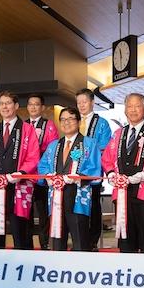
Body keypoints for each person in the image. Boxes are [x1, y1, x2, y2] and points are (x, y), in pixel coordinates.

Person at [102, 93, 144, 253]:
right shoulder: (118, 134)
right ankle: (127, 272)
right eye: (129, 106)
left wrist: (143, 175)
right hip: (121, 193)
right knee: (125, 238)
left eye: (137, 106)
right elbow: (107, 157)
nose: (133, 110)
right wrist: (112, 174)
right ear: (125, 110)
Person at [0, 91, 40, 249]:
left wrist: (22, 173)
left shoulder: (27, 129)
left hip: (19, 184)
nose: (5, 106)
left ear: (16, 106)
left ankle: (24, 264)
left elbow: (33, 155)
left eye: (8, 103)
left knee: (21, 229)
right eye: (2, 103)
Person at [37, 107, 101, 251]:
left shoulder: (89, 143)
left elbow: (95, 168)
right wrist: (47, 176)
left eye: (71, 119)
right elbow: (42, 166)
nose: (67, 122)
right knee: (57, 240)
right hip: (56, 198)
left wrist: (78, 177)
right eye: (63, 119)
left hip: (78, 196)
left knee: (80, 239)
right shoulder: (54, 145)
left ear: (78, 122)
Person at [76, 88, 113, 251]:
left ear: (92, 102)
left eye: (84, 102)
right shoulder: (74, 120)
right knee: (76, 205)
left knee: (93, 206)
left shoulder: (102, 123)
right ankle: (79, 239)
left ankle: (92, 240)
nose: (81, 105)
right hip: (74, 172)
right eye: (78, 102)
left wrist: (90, 162)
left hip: (94, 171)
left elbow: (105, 147)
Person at [25, 94, 59, 250]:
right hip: (25, 175)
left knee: (43, 211)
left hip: (41, 174)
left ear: (42, 107)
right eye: (30, 104)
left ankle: (45, 243)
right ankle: (28, 243)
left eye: (36, 104)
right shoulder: (22, 125)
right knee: (26, 210)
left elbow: (52, 149)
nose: (33, 107)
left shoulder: (49, 125)